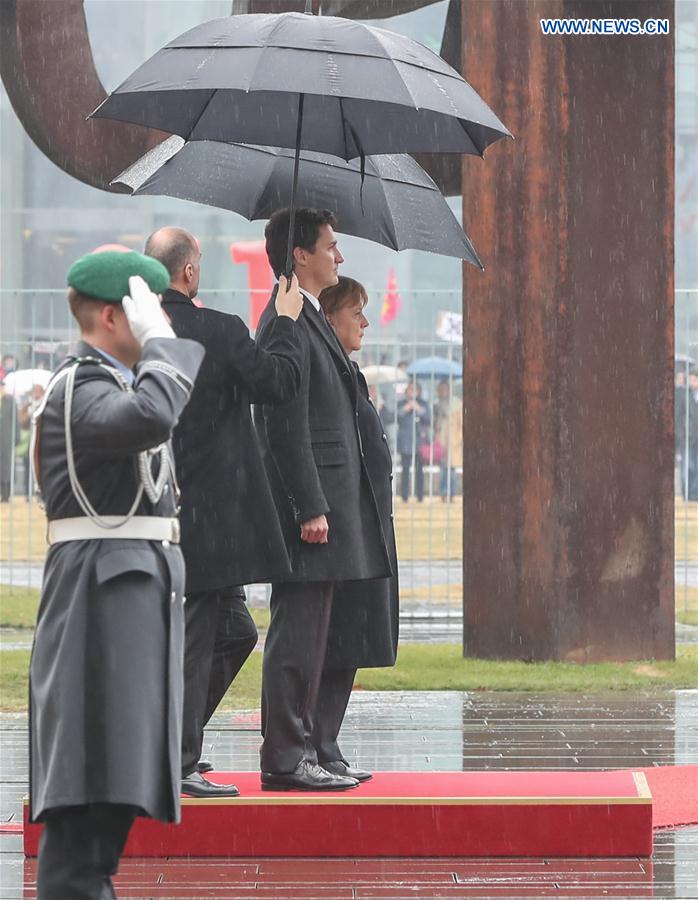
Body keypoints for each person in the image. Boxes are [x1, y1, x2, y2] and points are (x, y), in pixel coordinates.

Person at [29, 251, 204, 900]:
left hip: (120, 607)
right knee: (87, 808)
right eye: (148, 311)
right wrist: (161, 343)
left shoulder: (110, 383)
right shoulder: (83, 389)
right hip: (99, 613)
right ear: (113, 316)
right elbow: (155, 415)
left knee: (107, 806)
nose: (161, 323)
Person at [144, 226, 304, 798]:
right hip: (211, 517)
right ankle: (175, 761)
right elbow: (277, 382)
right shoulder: (216, 330)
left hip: (157, 508)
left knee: (232, 632)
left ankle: (169, 744)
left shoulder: (139, 337)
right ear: (188, 273)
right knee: (195, 641)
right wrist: (283, 319)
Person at [254, 208, 392, 791]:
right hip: (316, 509)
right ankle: (286, 758)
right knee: (299, 632)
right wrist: (309, 503)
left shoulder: (309, 317)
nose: (339, 256)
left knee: (323, 634)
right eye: (330, 246)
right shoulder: (285, 321)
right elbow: (284, 423)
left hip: (338, 506)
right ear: (301, 255)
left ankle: (311, 746)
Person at [315, 276, 399, 770]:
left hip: (366, 525)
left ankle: (328, 742)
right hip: (344, 527)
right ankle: (318, 743)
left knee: (351, 640)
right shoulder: (330, 372)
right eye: (355, 312)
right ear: (331, 318)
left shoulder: (350, 371)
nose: (364, 322)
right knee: (335, 639)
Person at [397, 381, 430, 502]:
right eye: (410, 389)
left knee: (419, 470)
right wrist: (406, 408)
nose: (412, 392)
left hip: (419, 442)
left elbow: (428, 419)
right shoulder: (401, 403)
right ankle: (404, 495)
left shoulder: (423, 404)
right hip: (405, 441)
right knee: (405, 469)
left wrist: (418, 409)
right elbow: (396, 417)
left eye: (415, 390)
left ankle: (419, 495)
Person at [433, 379, 462, 501]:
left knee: (452, 469)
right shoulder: (437, 405)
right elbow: (435, 424)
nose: (443, 392)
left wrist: (459, 439)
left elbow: (461, 423)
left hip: (453, 440)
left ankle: (452, 492)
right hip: (441, 440)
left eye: (445, 389)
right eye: (441, 390)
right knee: (443, 469)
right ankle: (444, 492)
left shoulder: (457, 404)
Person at [0, 379, 17, 501]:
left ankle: (7, 493)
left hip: (6, 438)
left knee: (7, 466)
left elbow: (15, 420)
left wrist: (17, 437)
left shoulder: (10, 400)